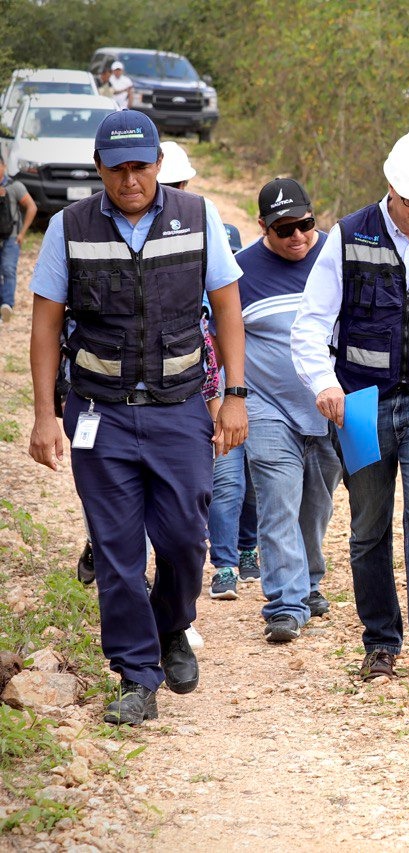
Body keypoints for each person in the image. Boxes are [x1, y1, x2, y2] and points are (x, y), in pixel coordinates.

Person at [27, 110, 247, 725]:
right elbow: (45, 322)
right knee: (118, 551)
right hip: (100, 411)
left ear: (158, 165)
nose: (130, 180)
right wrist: (46, 414)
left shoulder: (198, 216)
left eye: (140, 167)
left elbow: (228, 308)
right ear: (99, 170)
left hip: (180, 410)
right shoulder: (68, 228)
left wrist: (236, 394)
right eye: (117, 169)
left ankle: (172, 624)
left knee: (183, 538)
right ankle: (137, 676)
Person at [291, 131, 409, 692]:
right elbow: (310, 324)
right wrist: (323, 383)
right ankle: (380, 643)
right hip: (361, 402)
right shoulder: (347, 237)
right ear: (390, 187)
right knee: (369, 527)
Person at [155, 139, 258, 599]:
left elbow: (223, 315)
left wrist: (227, 396)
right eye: (173, 184)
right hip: (140, 384)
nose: (177, 190)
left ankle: (222, 560)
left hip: (197, 371)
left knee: (219, 477)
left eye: (180, 183)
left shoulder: (201, 218)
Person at [240, 178, 341, 643]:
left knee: (317, 504)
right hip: (266, 406)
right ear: (262, 227)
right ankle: (285, 601)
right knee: (278, 500)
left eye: (305, 224)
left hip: (331, 406)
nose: (298, 236)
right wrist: (228, 399)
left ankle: (310, 582)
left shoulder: (336, 258)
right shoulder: (240, 273)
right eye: (284, 230)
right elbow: (224, 340)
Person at [0, 158, 37, 322]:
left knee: (8, 269)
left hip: (12, 237)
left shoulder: (15, 186)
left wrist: (22, 233)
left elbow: (32, 207)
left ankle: (7, 305)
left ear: (4, 166)